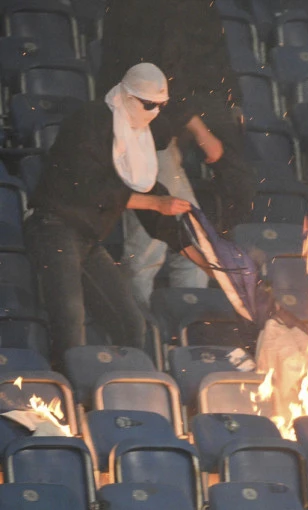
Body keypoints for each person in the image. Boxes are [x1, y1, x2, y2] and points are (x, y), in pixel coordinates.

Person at [25, 63, 208, 367]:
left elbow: (156, 208)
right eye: (148, 104)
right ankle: (68, 391)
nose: (154, 112)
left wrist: (205, 261)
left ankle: (123, 385)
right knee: (70, 321)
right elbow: (86, 188)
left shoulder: (137, 140)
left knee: (130, 323)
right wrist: (155, 204)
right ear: (128, 97)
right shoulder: (92, 119)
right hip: (53, 227)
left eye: (161, 106)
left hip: (88, 238)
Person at [98, 0, 258, 306]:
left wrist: (229, 102)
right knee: (149, 245)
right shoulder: (141, 10)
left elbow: (210, 55)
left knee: (190, 234)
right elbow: (156, 75)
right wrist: (200, 130)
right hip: (136, 129)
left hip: (160, 125)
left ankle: (189, 317)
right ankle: (139, 322)